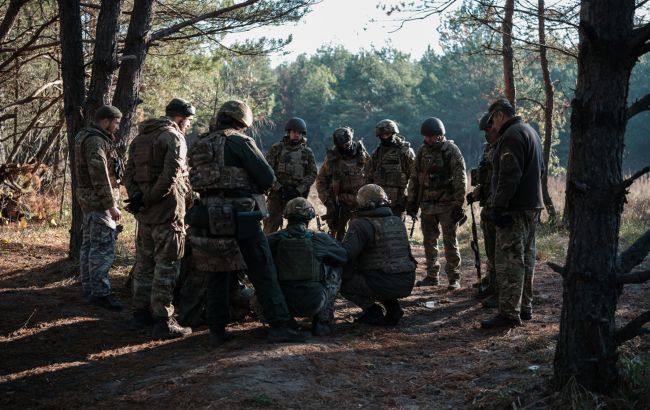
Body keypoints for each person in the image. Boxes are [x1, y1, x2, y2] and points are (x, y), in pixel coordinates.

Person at [187, 99, 306, 346]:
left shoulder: (200, 144)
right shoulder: (240, 142)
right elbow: (266, 177)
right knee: (262, 268)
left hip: (208, 213)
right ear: (242, 121)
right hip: (242, 214)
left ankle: (216, 330)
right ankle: (279, 324)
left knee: (217, 271)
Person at [123, 98, 195, 339]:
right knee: (167, 265)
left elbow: (128, 172)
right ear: (181, 118)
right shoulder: (173, 138)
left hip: (145, 213)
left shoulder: (140, 138)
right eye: (188, 121)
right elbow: (172, 175)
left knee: (144, 264)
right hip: (167, 213)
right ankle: (164, 321)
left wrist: (137, 198)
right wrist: (150, 198)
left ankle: (139, 314)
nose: (188, 125)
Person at [480, 98, 544, 329]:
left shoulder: (511, 135)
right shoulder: (530, 132)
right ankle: (524, 307)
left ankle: (508, 313)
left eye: (493, 120)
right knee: (526, 258)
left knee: (510, 262)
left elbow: (509, 176)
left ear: (499, 115)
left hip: (514, 209)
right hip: (531, 207)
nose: (492, 125)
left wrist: (498, 206)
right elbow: (541, 170)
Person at [267, 198, 348, 336]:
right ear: (310, 216)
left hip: (280, 304)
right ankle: (322, 321)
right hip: (314, 302)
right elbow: (343, 257)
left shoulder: (272, 239)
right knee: (335, 270)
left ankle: (283, 322)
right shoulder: (319, 238)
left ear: (286, 215)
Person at [341, 184, 416, 326]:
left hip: (382, 281)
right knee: (381, 271)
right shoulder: (397, 221)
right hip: (406, 280)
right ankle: (393, 308)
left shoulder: (360, 224)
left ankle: (372, 311)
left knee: (341, 277)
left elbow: (347, 255)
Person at [406, 117, 467, 290]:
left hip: (447, 204)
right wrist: (411, 203)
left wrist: (458, 203)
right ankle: (432, 275)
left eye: (431, 136)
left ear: (440, 135)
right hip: (427, 205)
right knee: (429, 242)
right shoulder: (422, 151)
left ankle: (454, 277)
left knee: (450, 242)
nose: (428, 139)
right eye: (426, 136)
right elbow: (414, 177)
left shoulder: (451, 151)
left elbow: (460, 178)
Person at [75, 105, 124, 311]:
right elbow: (99, 175)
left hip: (90, 201)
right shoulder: (95, 140)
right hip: (98, 202)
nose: (118, 126)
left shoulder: (84, 136)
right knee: (102, 249)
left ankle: (89, 289)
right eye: (116, 122)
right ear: (105, 121)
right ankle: (100, 293)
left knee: (89, 246)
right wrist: (111, 205)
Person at [467, 112, 499, 305]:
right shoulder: (488, 149)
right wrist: (476, 194)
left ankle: (499, 288)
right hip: (488, 205)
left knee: (500, 252)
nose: (486, 133)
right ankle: (492, 282)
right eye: (484, 131)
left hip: (500, 206)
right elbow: (485, 179)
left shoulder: (505, 146)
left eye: (488, 129)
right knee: (490, 250)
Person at [263, 117, 317, 233]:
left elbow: (312, 174)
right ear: (289, 133)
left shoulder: (307, 152)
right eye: (293, 132)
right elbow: (267, 170)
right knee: (270, 226)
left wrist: (298, 190)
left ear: (302, 134)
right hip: (277, 195)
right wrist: (279, 188)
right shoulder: (277, 148)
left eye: (298, 133)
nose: (296, 135)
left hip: (297, 196)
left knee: (299, 229)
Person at [316, 127, 370, 240]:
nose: (346, 147)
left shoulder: (361, 154)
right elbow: (321, 181)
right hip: (340, 203)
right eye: (342, 145)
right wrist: (327, 201)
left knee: (358, 234)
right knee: (337, 236)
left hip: (360, 202)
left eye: (347, 143)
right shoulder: (332, 158)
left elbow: (372, 175)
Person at [367, 119, 415, 219]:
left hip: (398, 201)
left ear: (393, 133)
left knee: (395, 231)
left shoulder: (405, 151)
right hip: (379, 201)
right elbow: (369, 176)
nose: (385, 137)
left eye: (387, 134)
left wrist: (411, 200)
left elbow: (414, 176)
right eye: (382, 135)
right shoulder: (376, 153)